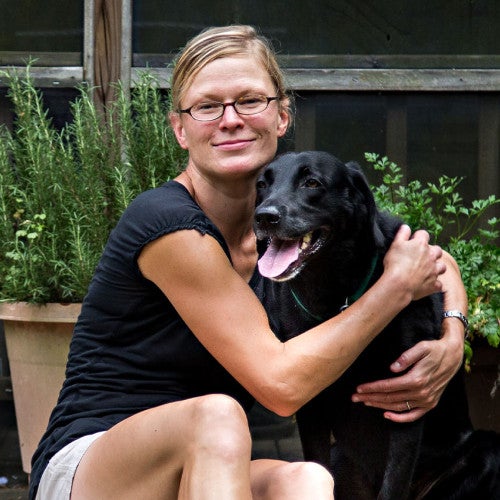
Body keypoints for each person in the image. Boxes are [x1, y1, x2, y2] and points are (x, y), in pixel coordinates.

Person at [30, 25, 468, 500]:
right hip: (92, 468)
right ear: (180, 128)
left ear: (282, 116)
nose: (231, 119)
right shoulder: (167, 224)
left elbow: (428, 258)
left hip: (207, 470)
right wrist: (392, 290)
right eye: (207, 106)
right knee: (217, 415)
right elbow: (281, 386)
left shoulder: (287, 234)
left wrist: (451, 337)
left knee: (311, 480)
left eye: (250, 101)